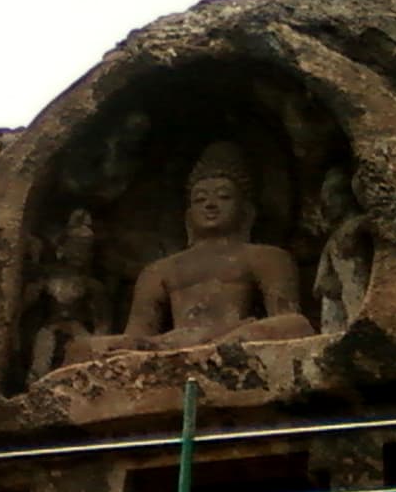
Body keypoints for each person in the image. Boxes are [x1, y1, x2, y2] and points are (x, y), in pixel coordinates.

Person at [71, 142, 315, 361]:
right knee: (79, 349)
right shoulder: (160, 270)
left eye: (224, 196)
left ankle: (211, 348)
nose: (210, 204)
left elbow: (289, 321)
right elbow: (137, 335)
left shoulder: (266, 257)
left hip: (235, 338)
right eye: (200, 199)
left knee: (295, 326)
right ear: (188, 215)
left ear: (246, 211)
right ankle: (196, 351)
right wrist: (161, 343)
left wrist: (227, 337)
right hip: (170, 345)